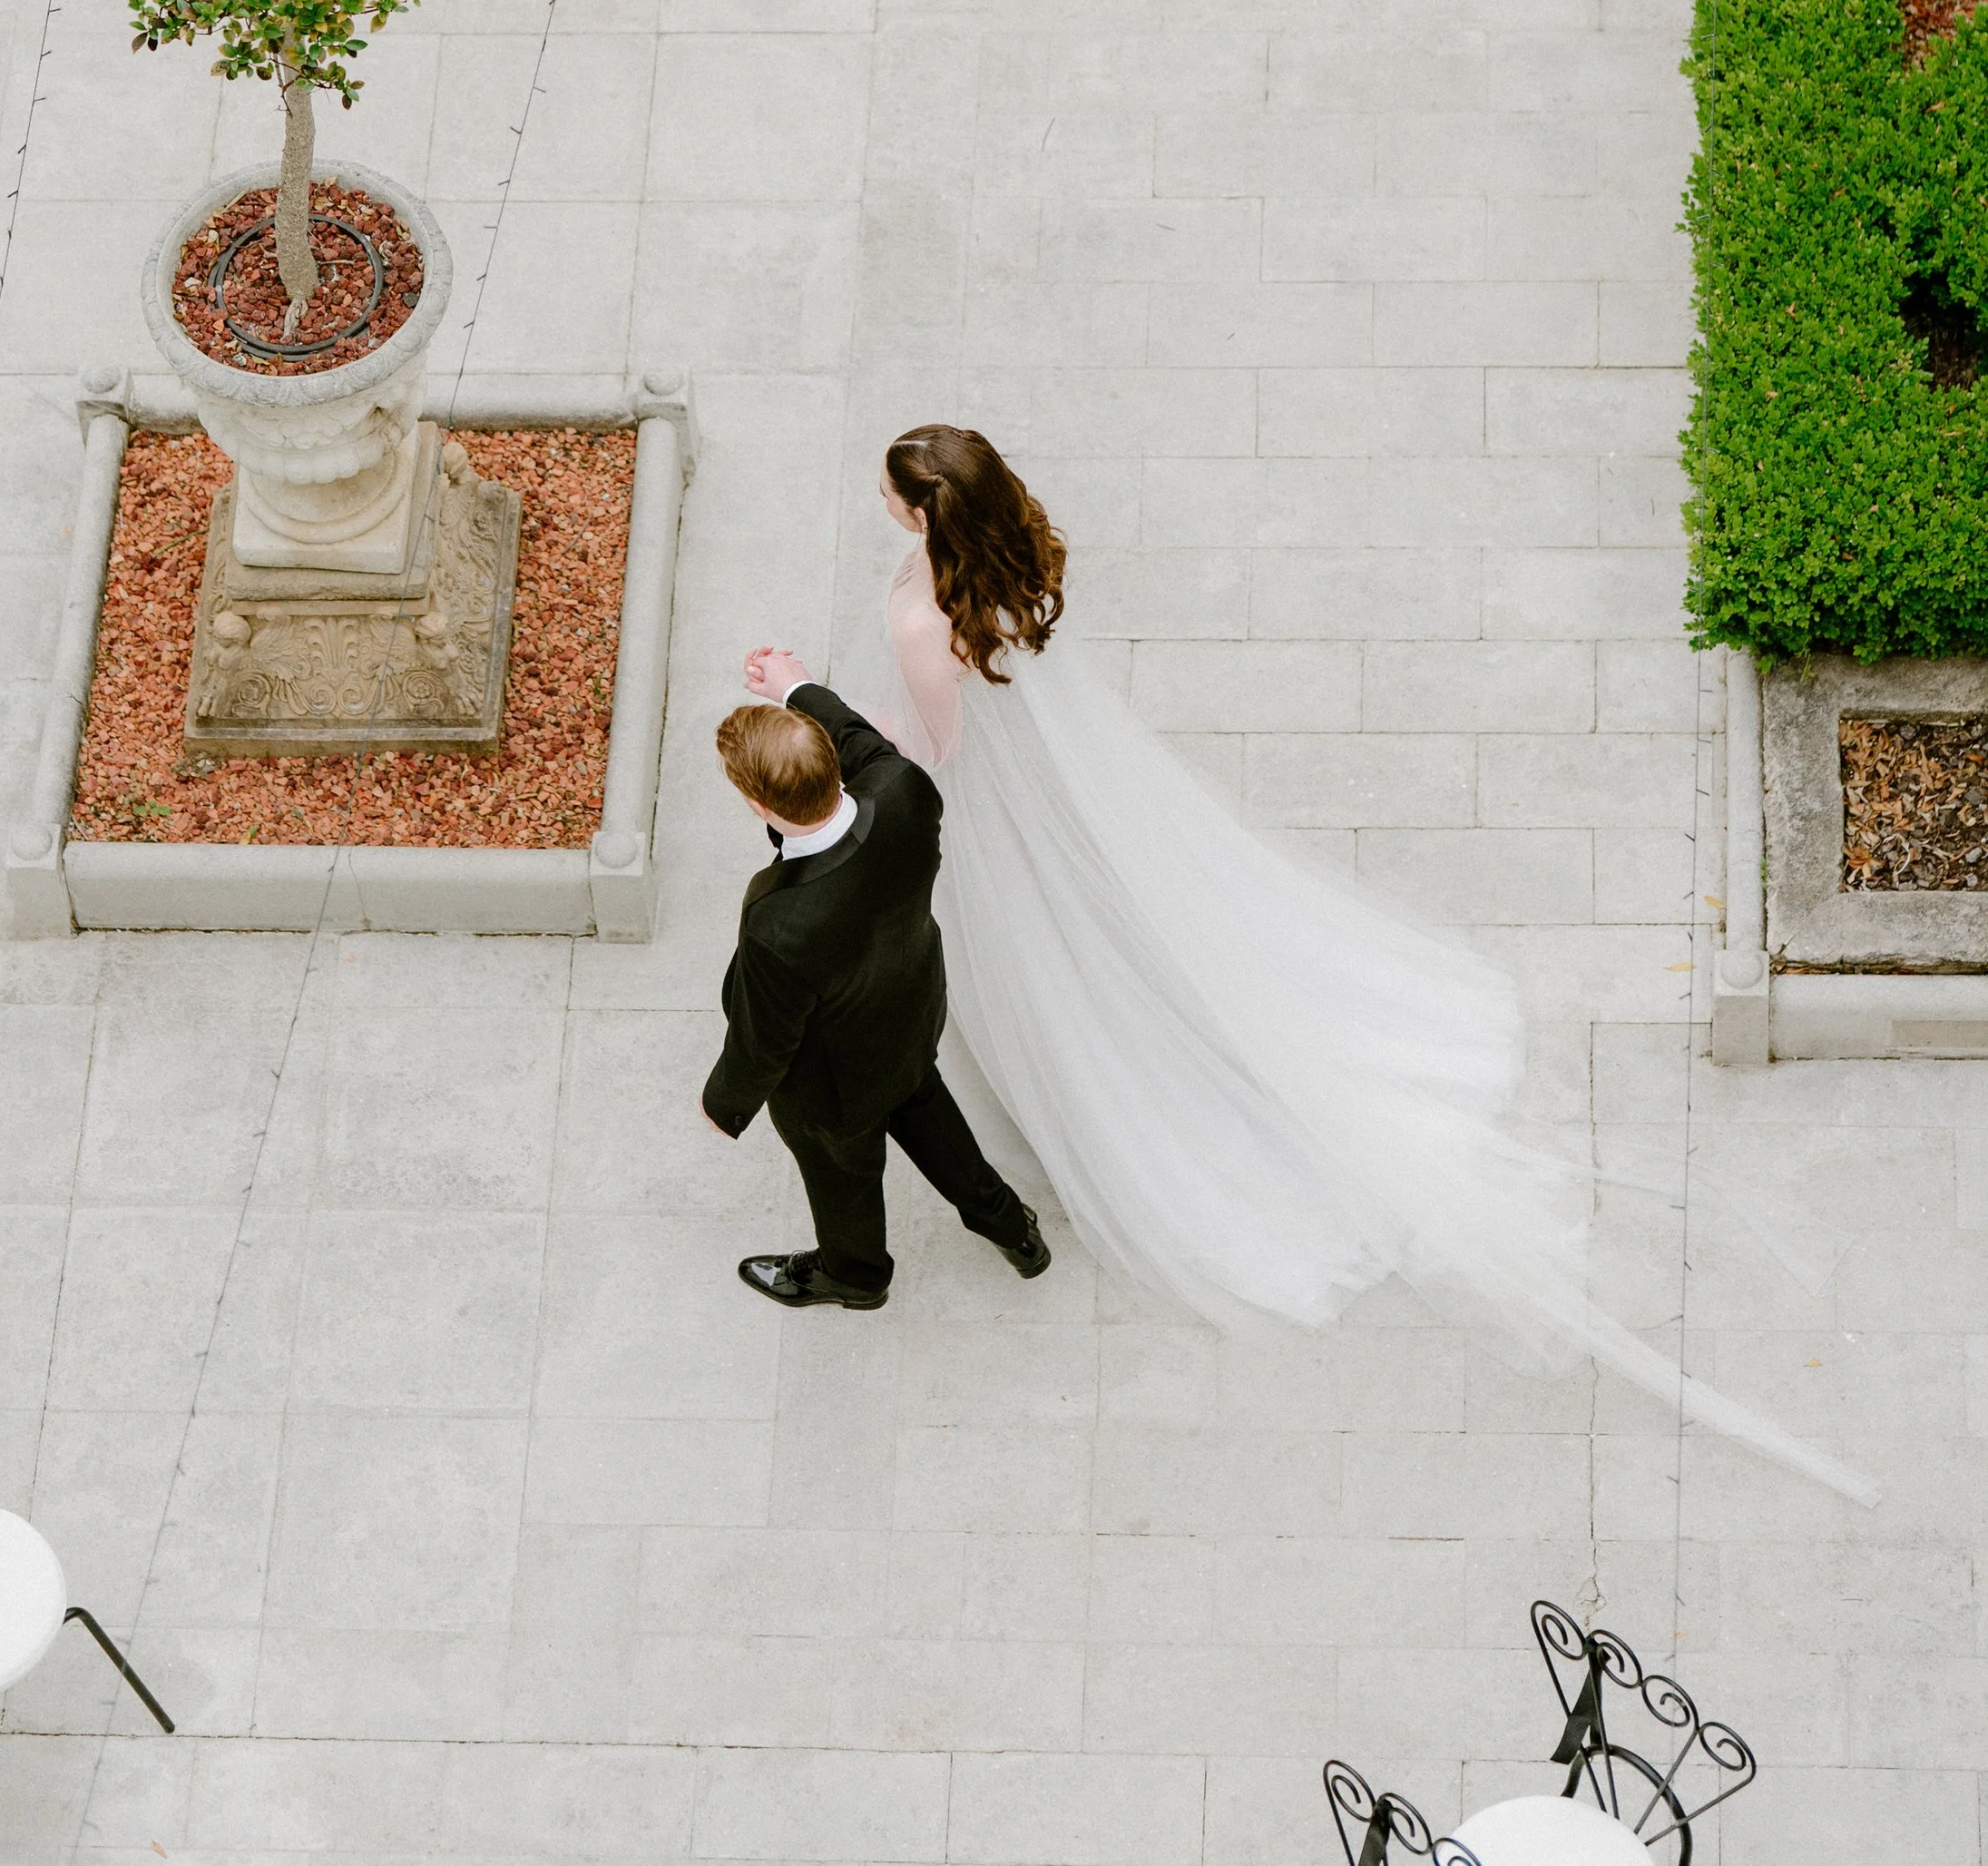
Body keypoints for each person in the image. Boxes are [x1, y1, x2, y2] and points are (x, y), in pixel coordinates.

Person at [742, 422, 1877, 1504]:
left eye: (892, 490)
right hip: (1027, 762)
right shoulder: (995, 563)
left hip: (983, 804)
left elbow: (928, 756)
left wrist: (810, 705)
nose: (879, 501)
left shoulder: (916, 629)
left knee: (1050, 973)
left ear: (924, 511)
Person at [701, 681, 1052, 1308]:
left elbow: (765, 1041)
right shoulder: (905, 791)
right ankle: (1010, 1228)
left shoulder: (778, 922)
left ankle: (856, 1274)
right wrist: (796, 688)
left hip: (834, 1087)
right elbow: (862, 737)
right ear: (834, 761)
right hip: (910, 1014)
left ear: (758, 804)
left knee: (845, 1176)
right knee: (925, 1108)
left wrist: (724, 1104)